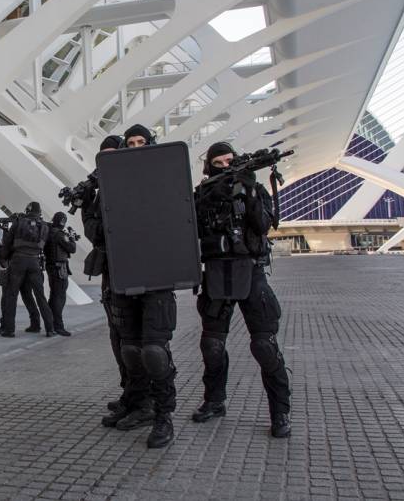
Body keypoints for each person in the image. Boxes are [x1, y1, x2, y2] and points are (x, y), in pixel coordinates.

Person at [192, 141, 292, 438]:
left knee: (264, 345)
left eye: (229, 161)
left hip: (250, 271)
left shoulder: (254, 189)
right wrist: (210, 197)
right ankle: (214, 401)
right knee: (211, 345)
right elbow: (190, 227)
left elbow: (263, 225)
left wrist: (248, 193)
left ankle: (280, 411)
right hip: (217, 274)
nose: (225, 167)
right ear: (209, 166)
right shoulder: (202, 194)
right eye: (218, 163)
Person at [106, 123, 179, 449]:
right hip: (127, 276)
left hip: (157, 276)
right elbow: (99, 231)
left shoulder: (166, 179)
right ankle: (141, 405)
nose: (136, 147)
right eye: (131, 142)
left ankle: (164, 417)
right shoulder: (114, 185)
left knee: (154, 352)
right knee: (131, 351)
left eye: (142, 142)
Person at [81, 136, 134, 425]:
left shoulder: (141, 185)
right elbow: (96, 233)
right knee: (118, 336)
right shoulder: (101, 194)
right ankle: (131, 393)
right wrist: (88, 208)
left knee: (142, 343)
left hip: (139, 269)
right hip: (112, 272)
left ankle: (150, 402)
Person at [0, 202, 55, 338]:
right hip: (35, 262)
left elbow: (8, 243)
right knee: (40, 297)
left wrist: (2, 256)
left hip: (18, 261)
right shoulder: (44, 226)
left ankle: (9, 330)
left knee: (11, 294)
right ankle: (49, 329)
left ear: (27, 210)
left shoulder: (19, 222)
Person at [44, 212, 77, 336]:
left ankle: (51, 324)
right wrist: (72, 238)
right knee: (59, 297)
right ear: (62, 221)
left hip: (52, 267)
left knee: (54, 297)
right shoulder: (58, 234)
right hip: (59, 268)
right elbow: (72, 249)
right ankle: (58, 326)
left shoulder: (50, 232)